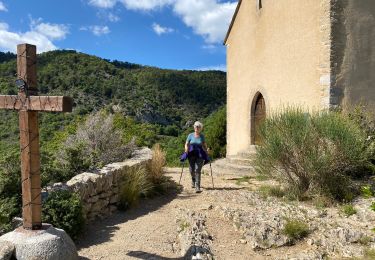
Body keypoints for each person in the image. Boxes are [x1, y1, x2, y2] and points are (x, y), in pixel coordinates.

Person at [185, 121, 208, 193]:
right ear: (194, 127)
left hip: (200, 154)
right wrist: (186, 149)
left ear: (200, 128)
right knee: (191, 170)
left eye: (198, 126)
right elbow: (186, 143)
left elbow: (204, 145)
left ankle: (197, 187)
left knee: (198, 170)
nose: (197, 127)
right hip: (191, 153)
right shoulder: (190, 135)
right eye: (195, 126)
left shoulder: (202, 136)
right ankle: (193, 179)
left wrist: (206, 151)